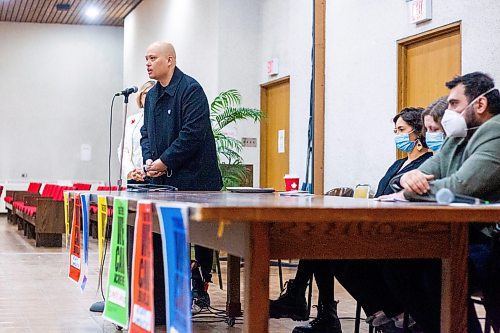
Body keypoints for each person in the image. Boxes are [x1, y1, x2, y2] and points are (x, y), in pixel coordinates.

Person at [273, 107, 433, 333]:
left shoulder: (428, 163)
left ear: (418, 132)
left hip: (402, 235)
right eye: (395, 130)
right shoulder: (397, 165)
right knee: (322, 240)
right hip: (379, 228)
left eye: (402, 130)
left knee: (330, 245)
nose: (397, 135)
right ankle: (371, 312)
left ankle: (388, 313)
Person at [391, 72, 500, 333]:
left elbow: (461, 187)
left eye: (453, 104)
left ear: (480, 105)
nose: (448, 111)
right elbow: (417, 173)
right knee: (398, 261)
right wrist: (408, 178)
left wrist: (408, 193)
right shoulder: (458, 138)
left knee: (429, 268)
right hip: (463, 235)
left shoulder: (495, 132)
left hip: (489, 240)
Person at [140, 41, 223, 322]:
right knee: (159, 236)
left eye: (153, 58)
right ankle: (161, 297)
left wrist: (164, 162)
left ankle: (199, 288)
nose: (148, 63)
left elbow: (192, 134)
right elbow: (146, 134)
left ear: (170, 61)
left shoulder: (190, 90)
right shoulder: (151, 97)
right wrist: (151, 161)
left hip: (196, 183)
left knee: (200, 238)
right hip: (163, 182)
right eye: (146, 59)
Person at [117, 80, 155, 183]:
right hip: (134, 177)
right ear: (140, 96)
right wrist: (131, 171)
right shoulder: (131, 120)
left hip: (153, 176)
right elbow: (123, 149)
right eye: (146, 94)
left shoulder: (162, 119)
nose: (148, 97)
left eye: (153, 94)